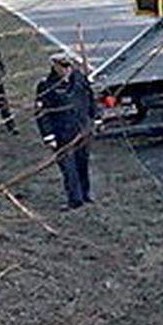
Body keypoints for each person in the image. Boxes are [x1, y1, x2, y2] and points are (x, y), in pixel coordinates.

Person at [35, 52, 96, 209]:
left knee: (83, 164)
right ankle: (75, 200)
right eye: (63, 66)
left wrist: (95, 118)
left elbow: (90, 98)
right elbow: (42, 114)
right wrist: (48, 136)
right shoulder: (47, 86)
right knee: (69, 168)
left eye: (69, 66)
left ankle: (85, 194)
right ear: (55, 66)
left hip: (82, 130)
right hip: (62, 133)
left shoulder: (80, 79)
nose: (67, 69)